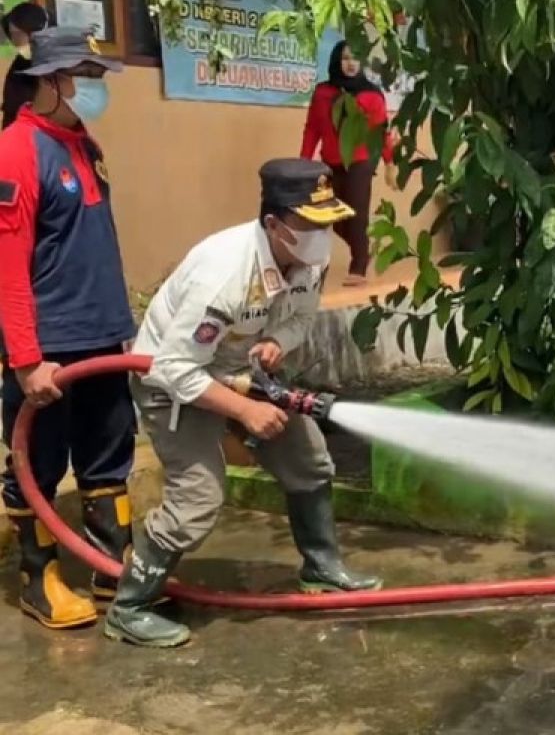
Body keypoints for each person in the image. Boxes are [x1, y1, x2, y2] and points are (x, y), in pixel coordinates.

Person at [105, 158, 382, 648]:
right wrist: (245, 411)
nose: (324, 235)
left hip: (237, 370)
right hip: (172, 382)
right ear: (274, 224)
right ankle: (129, 607)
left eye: (329, 222)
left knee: (309, 458)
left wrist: (278, 339)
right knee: (198, 499)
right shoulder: (225, 272)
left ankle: (322, 567)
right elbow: (174, 368)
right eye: (311, 225)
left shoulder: (310, 259)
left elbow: (300, 317)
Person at [0, 26, 136, 629]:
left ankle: (113, 568)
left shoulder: (84, 144)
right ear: (49, 80)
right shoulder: (16, 150)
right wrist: (26, 359)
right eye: (83, 77)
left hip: (101, 340)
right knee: (38, 462)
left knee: (109, 459)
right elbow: (7, 264)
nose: (92, 88)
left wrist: (119, 327)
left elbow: (92, 246)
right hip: (49, 353)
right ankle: (40, 577)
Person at [300, 41, 396, 287]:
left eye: (356, 58)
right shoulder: (323, 93)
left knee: (357, 213)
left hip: (361, 161)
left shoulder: (372, 95)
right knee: (336, 217)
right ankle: (362, 246)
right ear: (336, 61)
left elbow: (380, 132)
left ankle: (359, 264)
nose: (351, 63)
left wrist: (390, 164)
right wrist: (303, 162)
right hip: (331, 162)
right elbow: (312, 129)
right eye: (345, 58)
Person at [2, 2, 49, 128]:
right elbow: (11, 113)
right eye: (15, 36)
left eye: (23, 35)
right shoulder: (20, 67)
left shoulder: (55, 63)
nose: (20, 41)